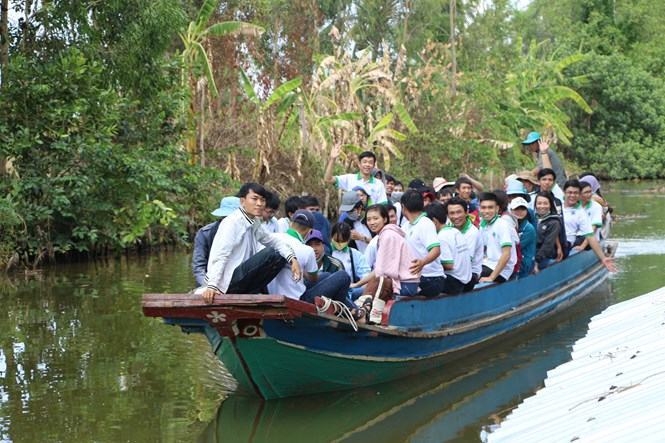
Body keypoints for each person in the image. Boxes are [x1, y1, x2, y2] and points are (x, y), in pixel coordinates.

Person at [199, 183, 302, 304]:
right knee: (272, 253)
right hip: (225, 283)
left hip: (241, 279)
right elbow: (221, 255)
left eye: (262, 200)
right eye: (254, 199)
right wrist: (212, 286)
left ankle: (253, 293)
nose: (259, 203)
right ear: (243, 201)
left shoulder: (254, 221)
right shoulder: (232, 222)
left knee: (280, 254)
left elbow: (271, 240)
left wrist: (292, 258)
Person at [267, 210, 358, 315]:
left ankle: (351, 309)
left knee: (326, 275)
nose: (314, 248)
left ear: (291, 224)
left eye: (317, 244)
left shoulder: (272, 238)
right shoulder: (306, 250)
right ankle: (347, 312)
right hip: (298, 300)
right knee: (343, 276)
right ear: (310, 230)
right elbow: (313, 279)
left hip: (272, 294)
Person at [351, 204, 420, 323]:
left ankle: (365, 312)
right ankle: (363, 310)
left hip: (406, 285)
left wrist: (358, 284)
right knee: (356, 290)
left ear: (385, 219)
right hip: (402, 282)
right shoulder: (384, 235)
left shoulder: (388, 236)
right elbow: (380, 269)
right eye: (369, 219)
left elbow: (383, 272)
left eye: (375, 218)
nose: (372, 222)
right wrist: (358, 284)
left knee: (356, 292)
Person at [561, 180, 617, 271]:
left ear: (578, 194)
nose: (572, 195)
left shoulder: (582, 213)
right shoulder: (557, 206)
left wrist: (603, 258)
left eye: (575, 193)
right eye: (569, 192)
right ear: (564, 192)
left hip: (574, 241)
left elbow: (590, 234)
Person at [400, 190, 445, 296]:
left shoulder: (425, 223)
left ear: (403, 207)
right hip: (414, 277)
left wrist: (422, 262)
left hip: (432, 278)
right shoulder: (406, 226)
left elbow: (436, 250)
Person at [192, 196, 240, 287]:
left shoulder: (248, 233)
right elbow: (199, 267)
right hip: (210, 280)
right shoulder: (205, 234)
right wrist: (208, 286)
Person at [426, 203, 472, 294]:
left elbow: (449, 265)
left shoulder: (441, 237)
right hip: (466, 279)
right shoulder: (455, 231)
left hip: (455, 282)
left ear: (434, 221)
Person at [478, 192, 518, 284]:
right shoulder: (483, 225)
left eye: (490, 207)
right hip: (486, 263)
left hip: (502, 270)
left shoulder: (503, 225)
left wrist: (491, 278)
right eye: (483, 207)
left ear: (497, 208)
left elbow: (506, 254)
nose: (486, 211)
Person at [445, 197, 483, 291]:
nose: (456, 216)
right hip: (453, 270)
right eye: (452, 213)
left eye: (459, 212)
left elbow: (464, 261)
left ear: (466, 213)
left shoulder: (472, 233)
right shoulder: (447, 227)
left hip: (470, 274)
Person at [330, 222, 371, 292]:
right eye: (337, 241)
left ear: (349, 239)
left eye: (343, 241)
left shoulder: (355, 254)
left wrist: (358, 285)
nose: (340, 244)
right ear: (331, 237)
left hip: (350, 290)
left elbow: (366, 275)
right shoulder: (326, 252)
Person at [533, 191, 563, 272]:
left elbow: (548, 245)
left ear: (550, 205)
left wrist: (536, 261)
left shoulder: (554, 222)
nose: (542, 206)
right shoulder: (533, 218)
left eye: (545, 203)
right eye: (539, 203)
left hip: (543, 256)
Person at [510, 197, 536, 278]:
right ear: (511, 210)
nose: (520, 212)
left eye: (523, 209)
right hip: (513, 261)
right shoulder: (509, 224)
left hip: (524, 264)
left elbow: (516, 248)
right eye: (517, 209)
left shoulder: (529, 228)